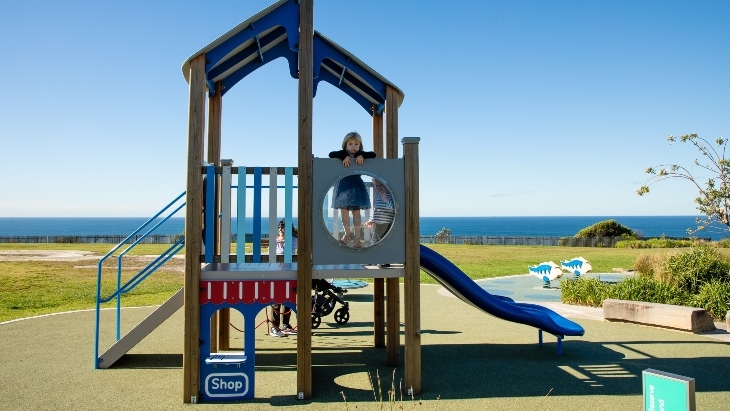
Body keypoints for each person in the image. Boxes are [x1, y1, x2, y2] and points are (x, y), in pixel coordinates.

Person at [328, 131, 376, 249]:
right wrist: (344, 156)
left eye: (356, 144)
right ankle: (347, 235)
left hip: (356, 186)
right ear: (345, 145)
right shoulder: (342, 153)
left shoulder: (360, 154)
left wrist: (362, 156)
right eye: (350, 144)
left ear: (360, 146)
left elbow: (373, 154)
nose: (353, 146)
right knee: (344, 211)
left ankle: (357, 238)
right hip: (344, 186)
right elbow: (331, 154)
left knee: (356, 213)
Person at [270, 219, 298, 337]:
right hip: (278, 273)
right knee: (277, 300)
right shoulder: (275, 241)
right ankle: (274, 327)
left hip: (290, 273)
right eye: (279, 227)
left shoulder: (293, 240)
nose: (281, 229)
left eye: (283, 227)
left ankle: (286, 325)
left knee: (289, 299)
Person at [364, 178, 395, 245]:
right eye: (377, 185)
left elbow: (391, 208)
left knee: (383, 241)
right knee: (374, 241)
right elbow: (376, 210)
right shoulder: (379, 197)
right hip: (377, 225)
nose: (379, 187)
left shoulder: (389, 196)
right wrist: (371, 220)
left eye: (381, 185)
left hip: (386, 224)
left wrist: (386, 200)